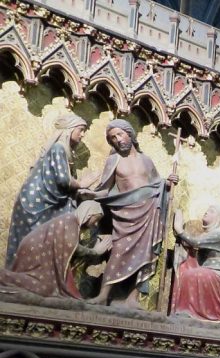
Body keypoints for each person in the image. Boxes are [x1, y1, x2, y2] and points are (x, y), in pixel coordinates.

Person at [85, 119, 178, 306]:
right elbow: (106, 188)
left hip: (149, 211)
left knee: (146, 254)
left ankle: (133, 298)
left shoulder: (146, 160)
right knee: (118, 252)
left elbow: (157, 184)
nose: (117, 140)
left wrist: (168, 182)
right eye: (113, 138)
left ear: (130, 134)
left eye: (120, 134)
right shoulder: (114, 160)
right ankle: (104, 295)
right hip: (125, 215)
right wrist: (91, 193)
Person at [6, 114, 99, 265]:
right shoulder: (59, 148)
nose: (82, 135)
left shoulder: (65, 152)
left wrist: (80, 192)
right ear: (69, 130)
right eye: (81, 130)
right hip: (35, 205)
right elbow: (63, 180)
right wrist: (81, 183)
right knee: (32, 245)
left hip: (42, 205)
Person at [0, 201, 107, 297]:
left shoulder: (72, 222)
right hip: (35, 253)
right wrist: (95, 251)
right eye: (96, 219)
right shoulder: (71, 220)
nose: (96, 224)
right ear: (88, 214)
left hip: (38, 254)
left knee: (48, 288)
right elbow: (73, 247)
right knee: (44, 288)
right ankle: (4, 276)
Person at [170, 205, 220, 325]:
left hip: (218, 272)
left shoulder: (218, 234)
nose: (206, 212)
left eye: (211, 211)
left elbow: (195, 242)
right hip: (209, 270)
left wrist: (179, 230)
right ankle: (190, 310)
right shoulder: (208, 234)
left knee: (191, 275)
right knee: (186, 270)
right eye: (207, 210)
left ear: (218, 218)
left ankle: (193, 311)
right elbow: (192, 244)